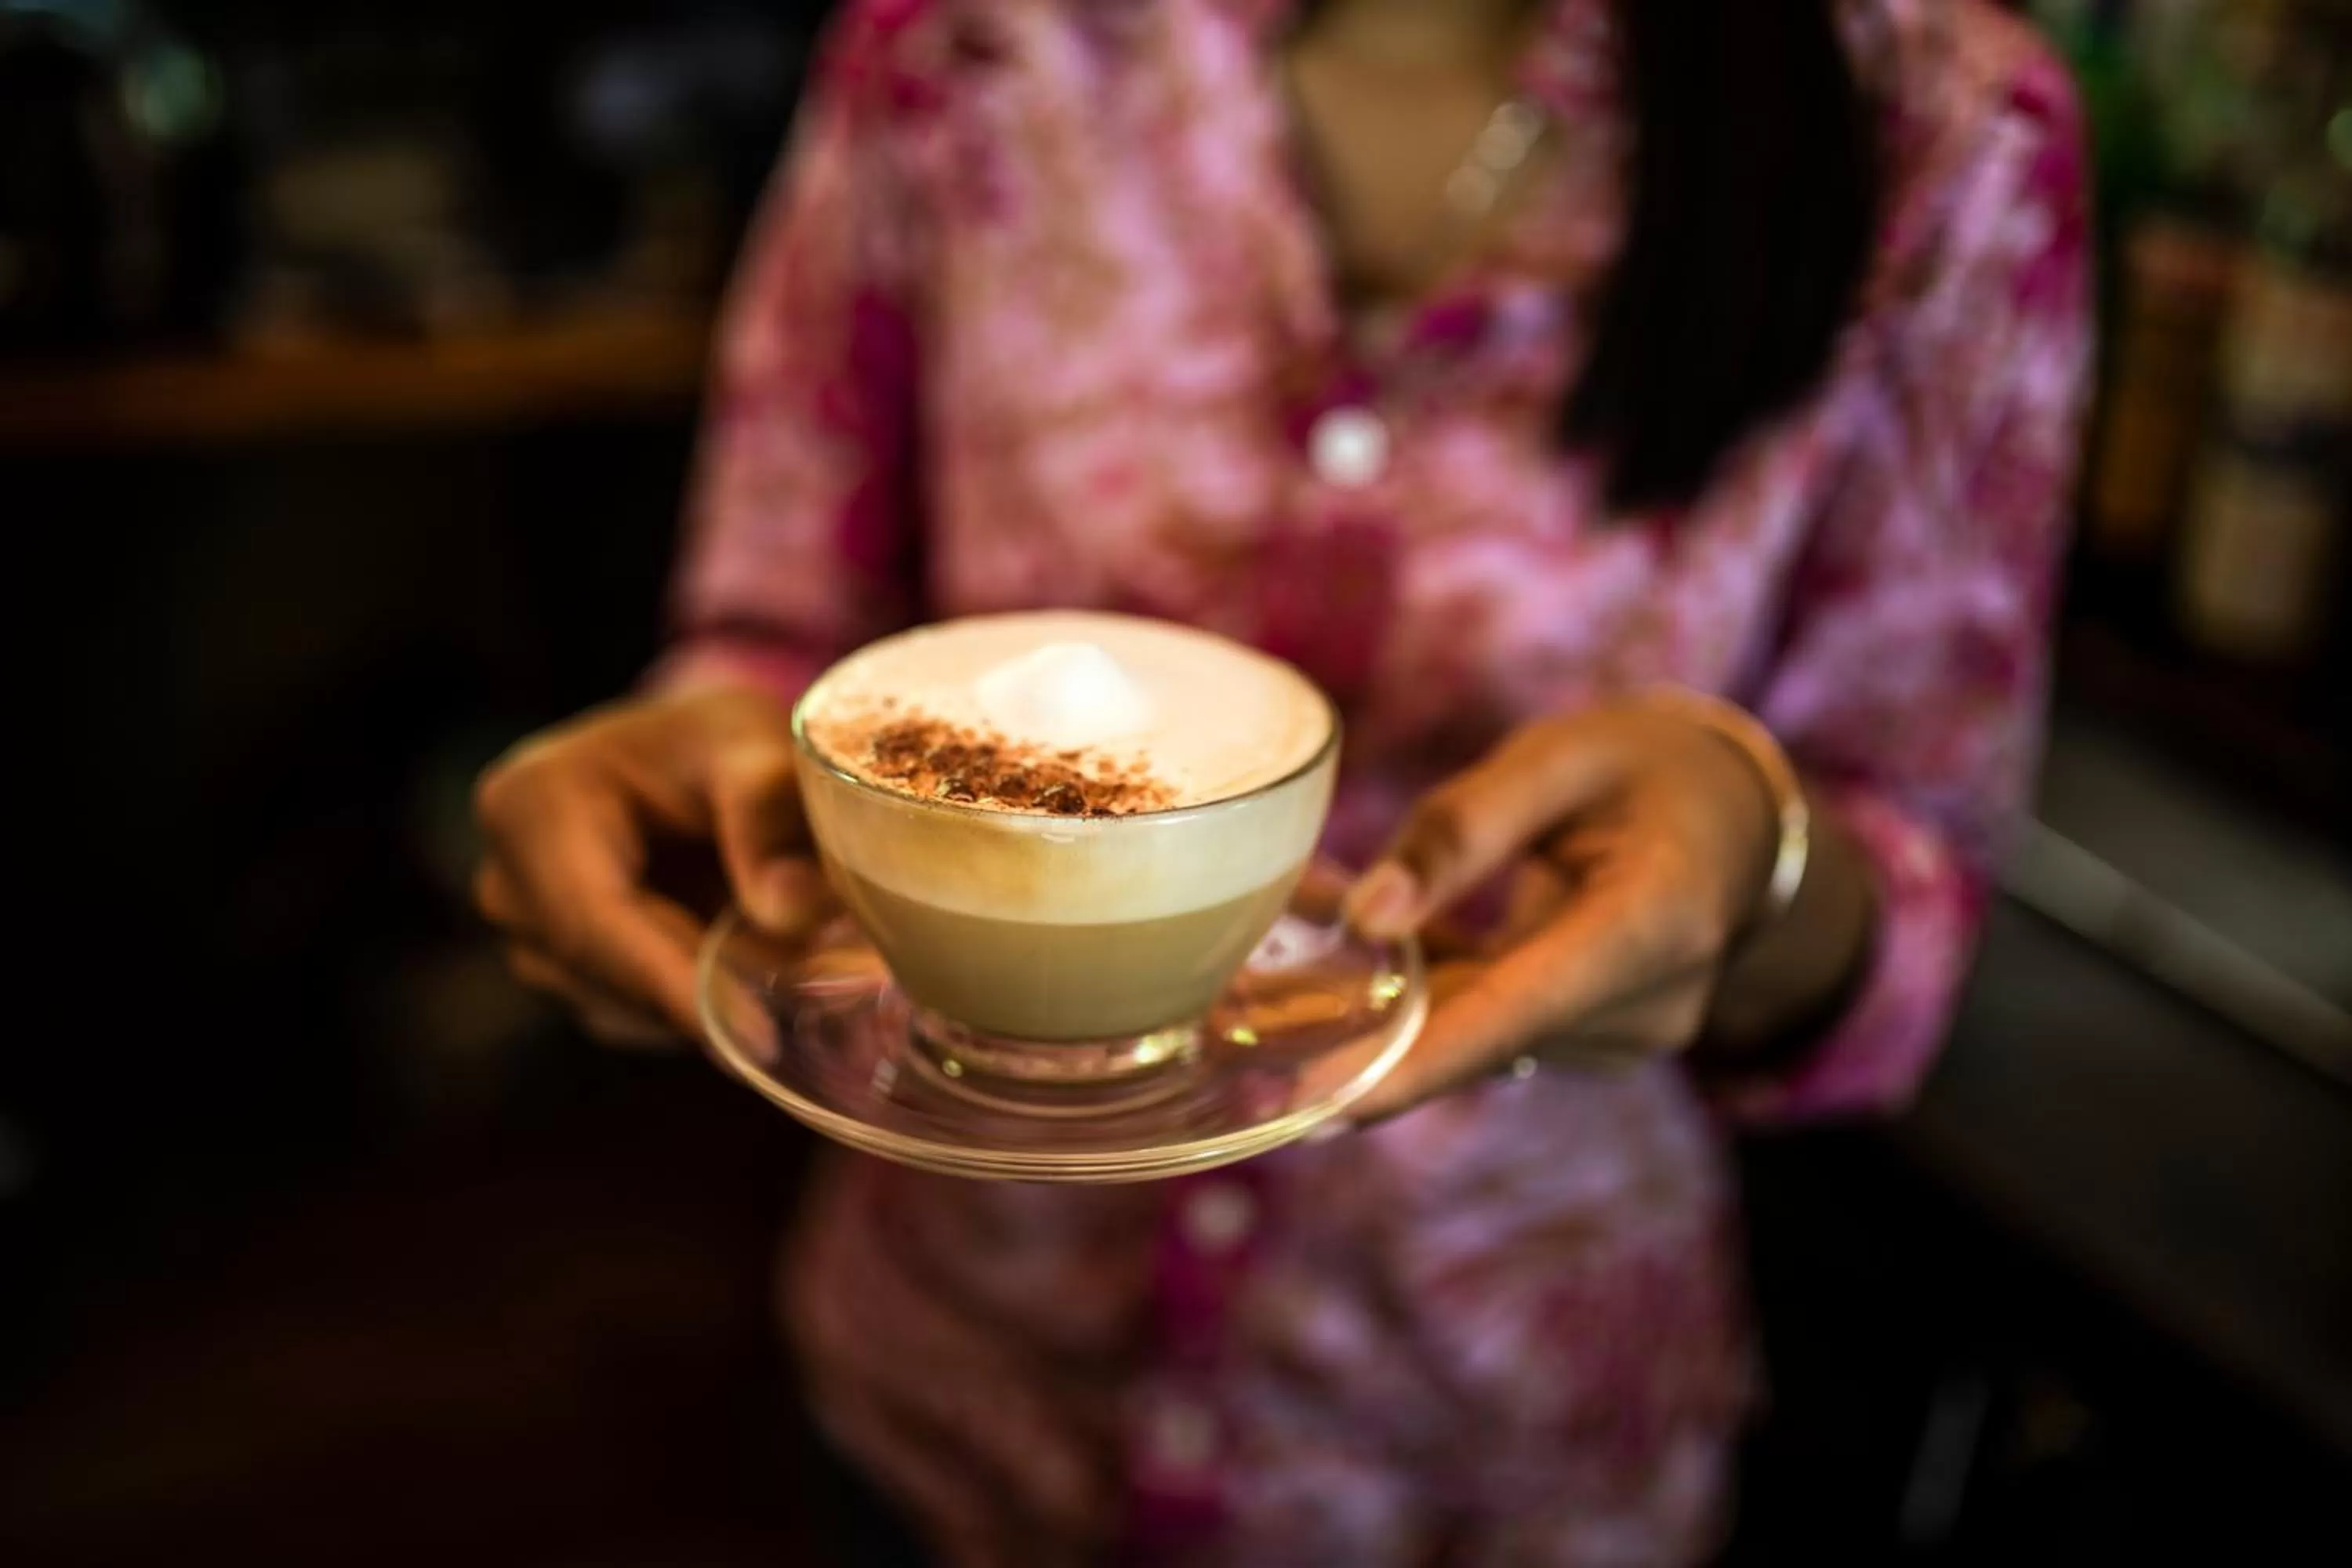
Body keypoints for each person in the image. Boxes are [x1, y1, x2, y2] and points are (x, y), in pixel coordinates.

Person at [473, 0, 2090, 1559]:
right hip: (963, 1386)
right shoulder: (968, 44)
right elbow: (789, 637)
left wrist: (1760, 862)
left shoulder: (1944, 133)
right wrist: (699, 768)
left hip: (1493, 1447)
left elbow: (1916, 872)